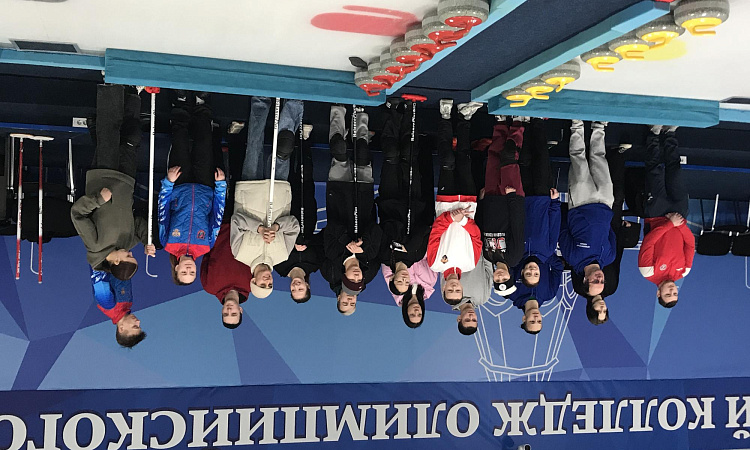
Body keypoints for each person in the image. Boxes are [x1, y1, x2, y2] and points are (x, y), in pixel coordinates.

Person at [72, 84, 155, 280]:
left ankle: (111, 86)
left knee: (109, 129)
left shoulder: (95, 246)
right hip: (126, 180)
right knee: (132, 136)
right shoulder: (128, 243)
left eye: (129, 256)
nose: (131, 252)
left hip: (103, 176)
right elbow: (139, 224)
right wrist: (146, 241)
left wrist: (98, 200)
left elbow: (78, 215)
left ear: (116, 261)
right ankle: (133, 92)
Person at [231, 97, 302, 299]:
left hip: (249, 190)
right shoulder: (283, 255)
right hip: (279, 192)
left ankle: (260, 101)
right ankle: (293, 103)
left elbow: (236, 221)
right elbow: (294, 226)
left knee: (254, 144)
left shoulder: (239, 254)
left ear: (253, 281)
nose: (267, 280)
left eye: (263, 284)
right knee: (284, 147)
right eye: (270, 284)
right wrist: (277, 227)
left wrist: (259, 229)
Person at [158, 90, 227, 285]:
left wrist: (168, 183)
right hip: (205, 186)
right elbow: (217, 216)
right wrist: (220, 187)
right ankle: (201, 102)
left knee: (179, 140)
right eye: (192, 273)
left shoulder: (168, 243)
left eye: (184, 272)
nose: (189, 269)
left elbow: (162, 211)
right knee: (204, 141)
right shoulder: (206, 246)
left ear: (176, 268)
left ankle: (180, 101)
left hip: (179, 185)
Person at [320, 105, 383, 315]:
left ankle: (338, 110)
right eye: (352, 303)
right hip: (363, 196)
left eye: (345, 303)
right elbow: (377, 230)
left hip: (338, 196)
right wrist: (363, 244)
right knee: (362, 151)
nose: (356, 276)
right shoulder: (369, 262)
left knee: (339, 148)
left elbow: (330, 229)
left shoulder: (332, 262)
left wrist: (347, 241)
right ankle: (360, 113)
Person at [377, 97, 437, 301]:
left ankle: (391, 110)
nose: (403, 279)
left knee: (392, 155)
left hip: (390, 199)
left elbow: (382, 228)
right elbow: (425, 229)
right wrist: (409, 245)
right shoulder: (416, 255)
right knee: (409, 155)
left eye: (398, 282)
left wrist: (396, 240)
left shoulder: (385, 256)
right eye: (405, 282)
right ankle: (411, 111)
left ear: (392, 278)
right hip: (414, 200)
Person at [428, 99, 483, 305]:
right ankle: (464, 117)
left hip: (446, 204)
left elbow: (435, 233)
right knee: (464, 159)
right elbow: (477, 238)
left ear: (443, 288)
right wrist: (464, 221)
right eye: (457, 290)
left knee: (448, 161)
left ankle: (445, 117)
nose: (453, 287)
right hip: (468, 205)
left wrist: (451, 217)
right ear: (461, 288)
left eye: (449, 290)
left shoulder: (435, 264)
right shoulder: (470, 263)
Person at [507, 118, 562, 316]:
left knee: (522, 160)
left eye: (528, 273)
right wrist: (555, 203)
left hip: (520, 200)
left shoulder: (512, 292)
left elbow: (509, 229)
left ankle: (521, 124)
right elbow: (554, 226)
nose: (532, 270)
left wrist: (510, 201)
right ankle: (537, 122)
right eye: (536, 273)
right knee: (541, 159)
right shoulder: (547, 251)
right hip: (542, 200)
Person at [638, 125, 694, 308]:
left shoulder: (648, 272)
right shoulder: (683, 271)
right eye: (675, 293)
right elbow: (690, 243)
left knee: (655, 171)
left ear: (658, 293)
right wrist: (680, 224)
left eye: (668, 294)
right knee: (675, 171)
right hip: (679, 215)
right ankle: (670, 134)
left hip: (656, 215)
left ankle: (653, 135)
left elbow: (649, 242)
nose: (672, 290)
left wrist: (670, 224)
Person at [559, 120, 616, 298]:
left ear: (585, 280)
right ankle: (599, 126)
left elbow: (562, 230)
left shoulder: (573, 258)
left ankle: (576, 124)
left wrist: (573, 211)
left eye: (594, 282)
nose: (599, 279)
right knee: (599, 158)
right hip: (605, 202)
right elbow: (611, 232)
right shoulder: (609, 257)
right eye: (602, 282)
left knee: (578, 157)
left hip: (580, 202)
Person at [475, 115, 526, 297]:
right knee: (509, 157)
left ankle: (501, 123)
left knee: (494, 158)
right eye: (504, 279)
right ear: (510, 276)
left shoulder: (488, 255)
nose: (500, 277)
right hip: (509, 198)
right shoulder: (514, 256)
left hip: (491, 199)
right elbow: (517, 224)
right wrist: (512, 197)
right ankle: (518, 124)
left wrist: (481, 203)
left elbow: (481, 226)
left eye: (497, 280)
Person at [273, 124, 323, 303]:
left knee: (286, 177)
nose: (296, 286)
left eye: (294, 290)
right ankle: (304, 139)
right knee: (305, 176)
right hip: (307, 216)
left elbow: (274, 242)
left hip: (284, 214)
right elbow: (320, 240)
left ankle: (287, 136)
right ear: (307, 285)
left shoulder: (279, 267)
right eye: (300, 289)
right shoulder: (314, 265)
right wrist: (307, 242)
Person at [200, 223, 253, 329]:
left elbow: (206, 252)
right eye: (233, 313)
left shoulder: (209, 286)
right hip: (246, 223)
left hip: (219, 223)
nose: (229, 310)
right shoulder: (252, 284)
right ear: (240, 310)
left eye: (225, 314)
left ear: (222, 311)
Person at [91, 266, 145, 348]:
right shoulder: (128, 304)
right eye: (139, 325)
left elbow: (96, 267)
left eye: (135, 326)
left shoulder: (107, 304)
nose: (138, 321)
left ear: (121, 329)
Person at [447, 256, 493, 335]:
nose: (471, 316)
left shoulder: (450, 298)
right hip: (480, 250)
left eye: (467, 319)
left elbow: (445, 269)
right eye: (474, 320)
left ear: (459, 319)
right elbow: (489, 271)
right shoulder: (484, 298)